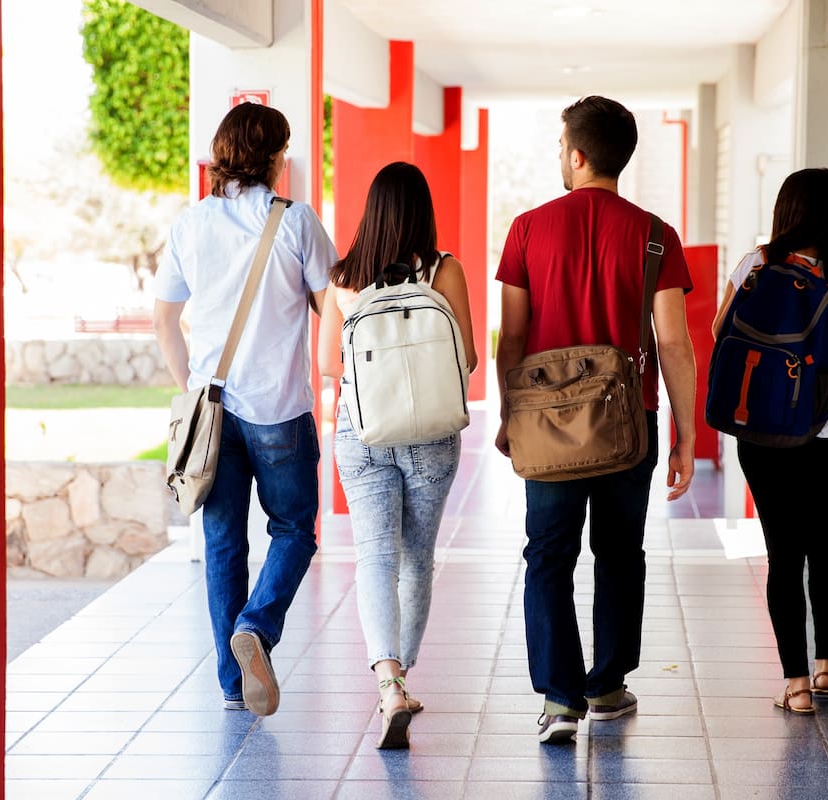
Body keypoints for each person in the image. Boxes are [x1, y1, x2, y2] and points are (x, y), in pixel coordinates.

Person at [494, 95, 699, 744]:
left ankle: (559, 699)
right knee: (619, 554)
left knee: (548, 555)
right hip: (628, 422)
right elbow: (673, 343)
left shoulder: (528, 228)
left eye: (561, 147)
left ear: (578, 155)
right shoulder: (656, 235)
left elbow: (514, 337)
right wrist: (688, 434)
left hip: (548, 424)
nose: (560, 156)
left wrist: (507, 413)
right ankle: (606, 685)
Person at [152, 103, 336, 717]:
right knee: (293, 531)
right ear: (275, 157)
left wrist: (192, 388)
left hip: (213, 411)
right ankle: (256, 626)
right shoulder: (297, 221)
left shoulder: (191, 223)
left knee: (224, 541)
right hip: (279, 409)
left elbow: (165, 320)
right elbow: (328, 307)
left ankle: (233, 684)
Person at [711, 167, 828, 714]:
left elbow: (722, 333)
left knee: (783, 556)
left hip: (767, 430)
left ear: (785, 211)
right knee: (826, 545)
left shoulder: (755, 266)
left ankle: (794, 685)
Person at [317, 161, 479, 749]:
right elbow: (467, 359)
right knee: (417, 557)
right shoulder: (445, 270)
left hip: (362, 434)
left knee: (374, 557)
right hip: (432, 435)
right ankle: (402, 677)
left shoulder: (342, 277)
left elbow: (329, 365)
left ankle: (386, 684)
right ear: (423, 211)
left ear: (372, 210)